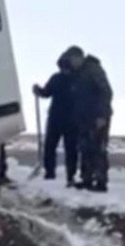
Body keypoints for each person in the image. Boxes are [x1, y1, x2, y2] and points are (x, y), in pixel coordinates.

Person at [67, 46, 113, 192]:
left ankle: (101, 181)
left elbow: (106, 92)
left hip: (97, 116)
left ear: (80, 57)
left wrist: (101, 115)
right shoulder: (77, 73)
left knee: (98, 149)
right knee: (85, 149)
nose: (73, 62)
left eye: (74, 59)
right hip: (83, 118)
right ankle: (87, 178)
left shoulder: (93, 70)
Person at [33, 52, 78, 185]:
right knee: (51, 146)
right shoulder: (57, 78)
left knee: (70, 148)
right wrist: (38, 91)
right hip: (57, 118)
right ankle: (50, 172)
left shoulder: (77, 79)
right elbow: (46, 93)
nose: (65, 69)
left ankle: (69, 175)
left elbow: (46, 93)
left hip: (70, 119)